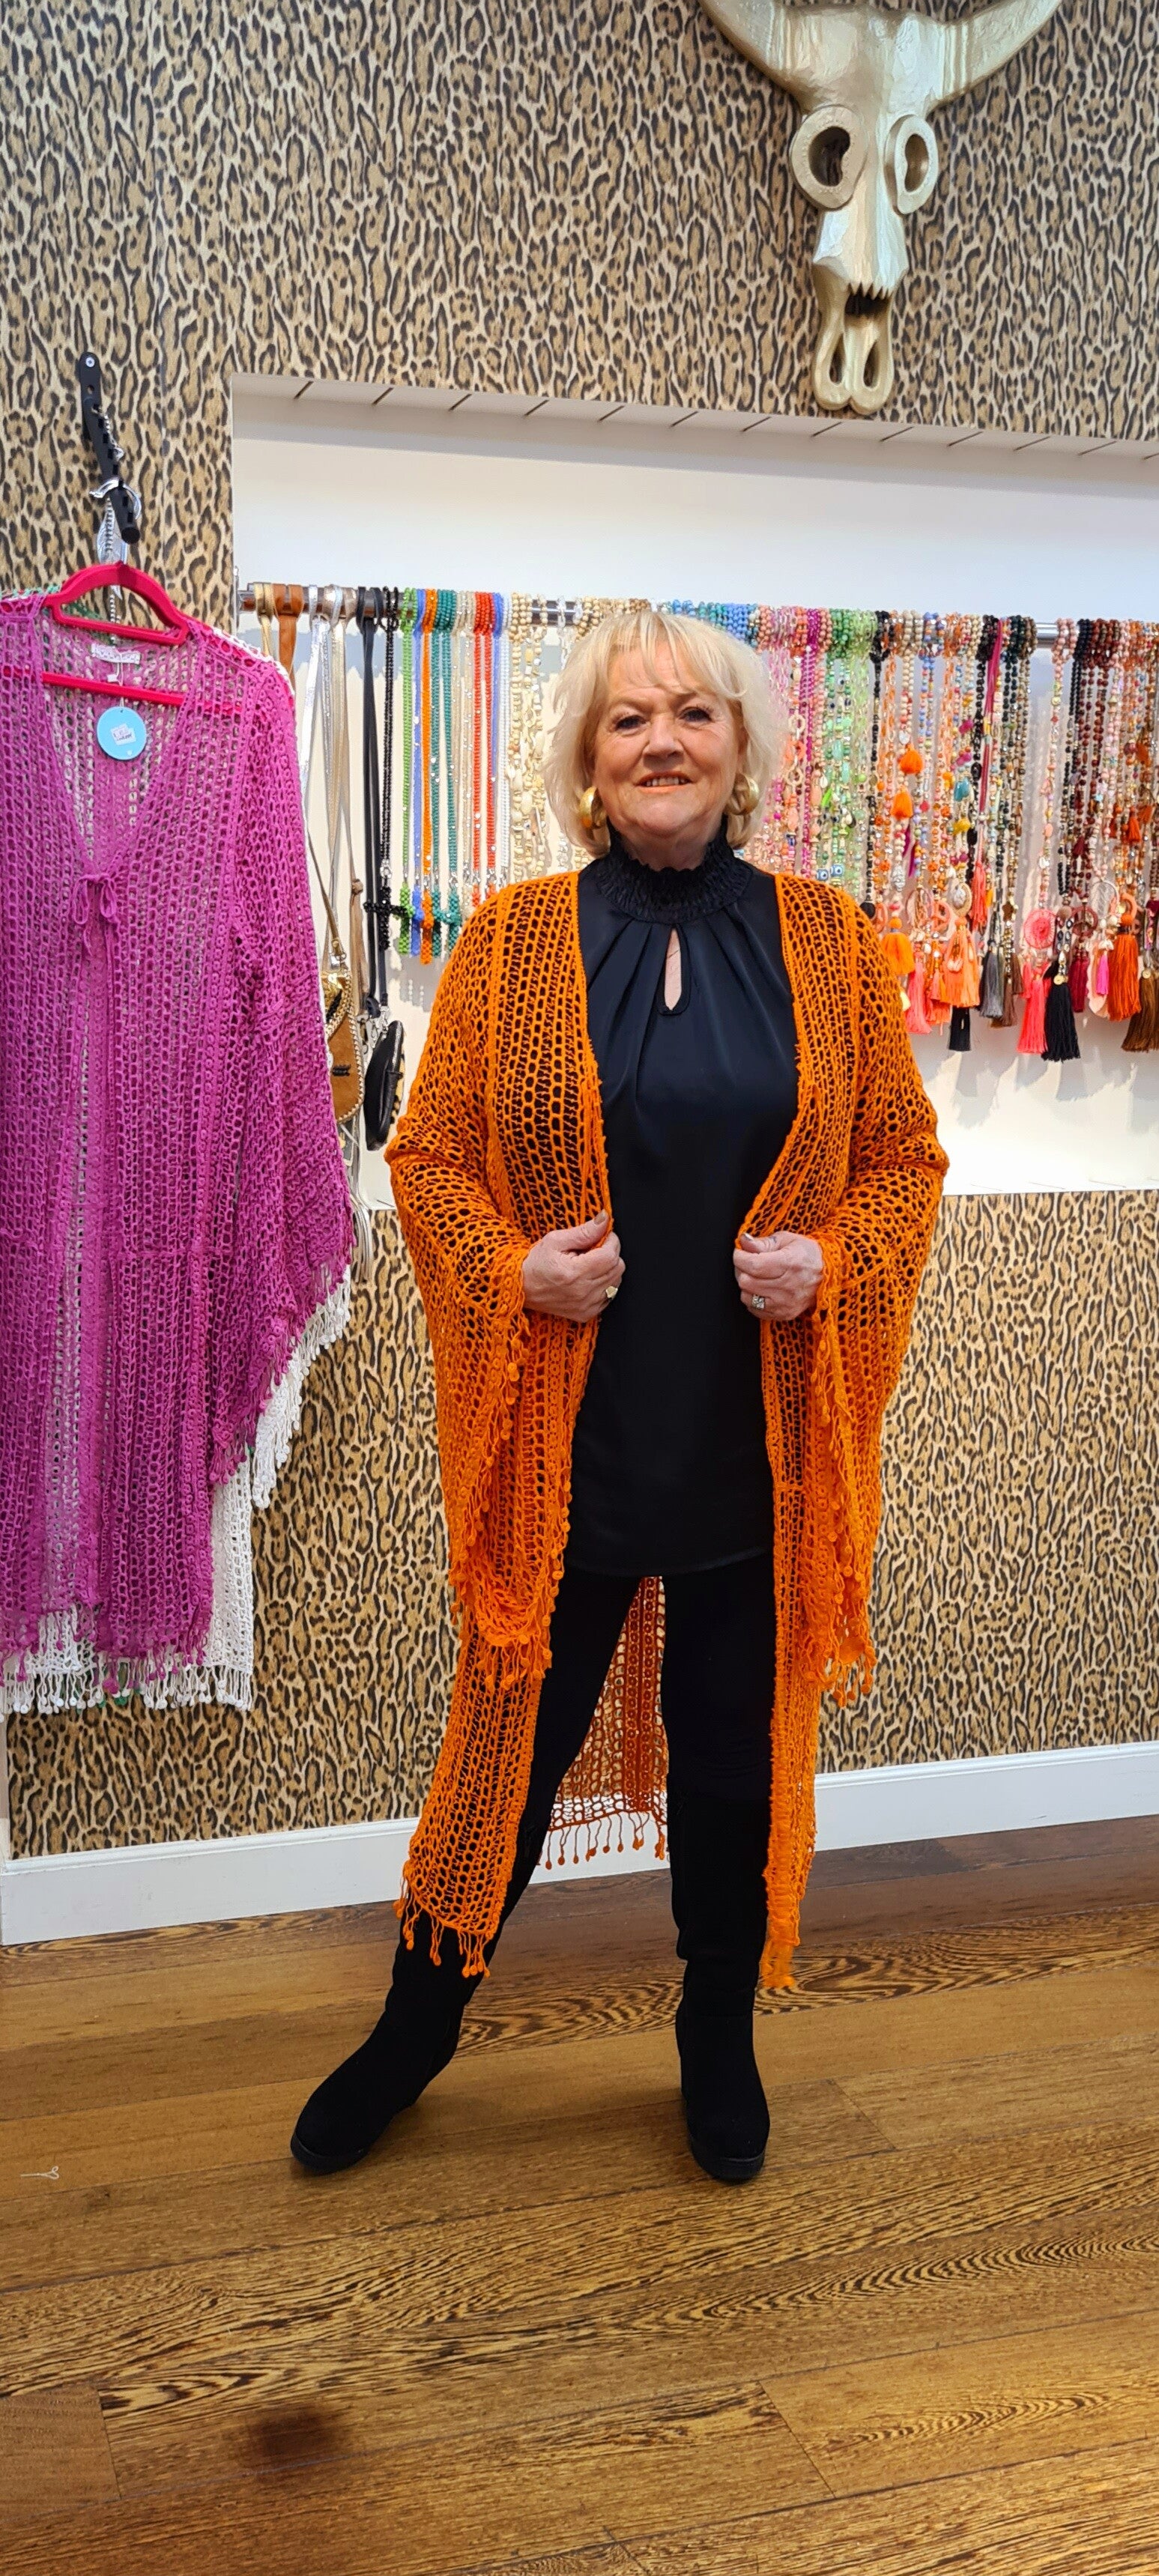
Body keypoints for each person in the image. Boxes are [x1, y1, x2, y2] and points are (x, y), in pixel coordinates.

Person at [291, 607, 946, 2185]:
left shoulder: (830, 941)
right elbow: (429, 1160)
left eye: (693, 713)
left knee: (728, 1769)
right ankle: (414, 2032)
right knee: (503, 1766)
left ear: (743, 746)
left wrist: (832, 1260)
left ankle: (716, 2036)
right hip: (566, 1458)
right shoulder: (515, 939)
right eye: (628, 718)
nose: (663, 741)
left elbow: (904, 1164)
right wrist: (514, 1271)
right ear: (588, 758)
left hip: (749, 1456)